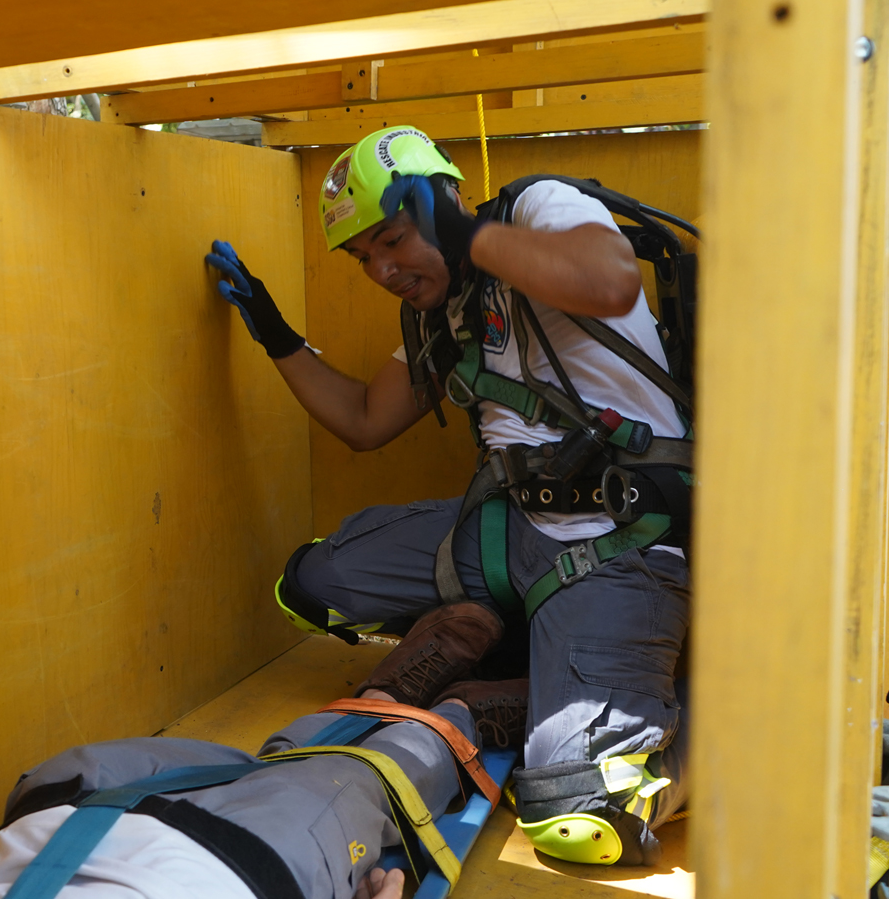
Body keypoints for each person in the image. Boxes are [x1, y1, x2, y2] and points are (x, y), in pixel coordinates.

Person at [205, 125, 693, 866]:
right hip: (503, 536)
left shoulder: (537, 209)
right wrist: (275, 333)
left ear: (445, 199)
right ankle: (521, 648)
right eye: (362, 256)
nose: (382, 268)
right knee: (310, 583)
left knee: (581, 812)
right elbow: (366, 421)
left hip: (615, 540)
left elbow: (609, 282)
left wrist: (465, 232)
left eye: (394, 238)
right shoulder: (443, 308)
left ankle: (709, 714)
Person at [0, 614, 529, 899]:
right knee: (348, 781)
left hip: (53, 816)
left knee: (265, 769)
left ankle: (380, 700)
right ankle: (460, 720)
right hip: (239, 866)